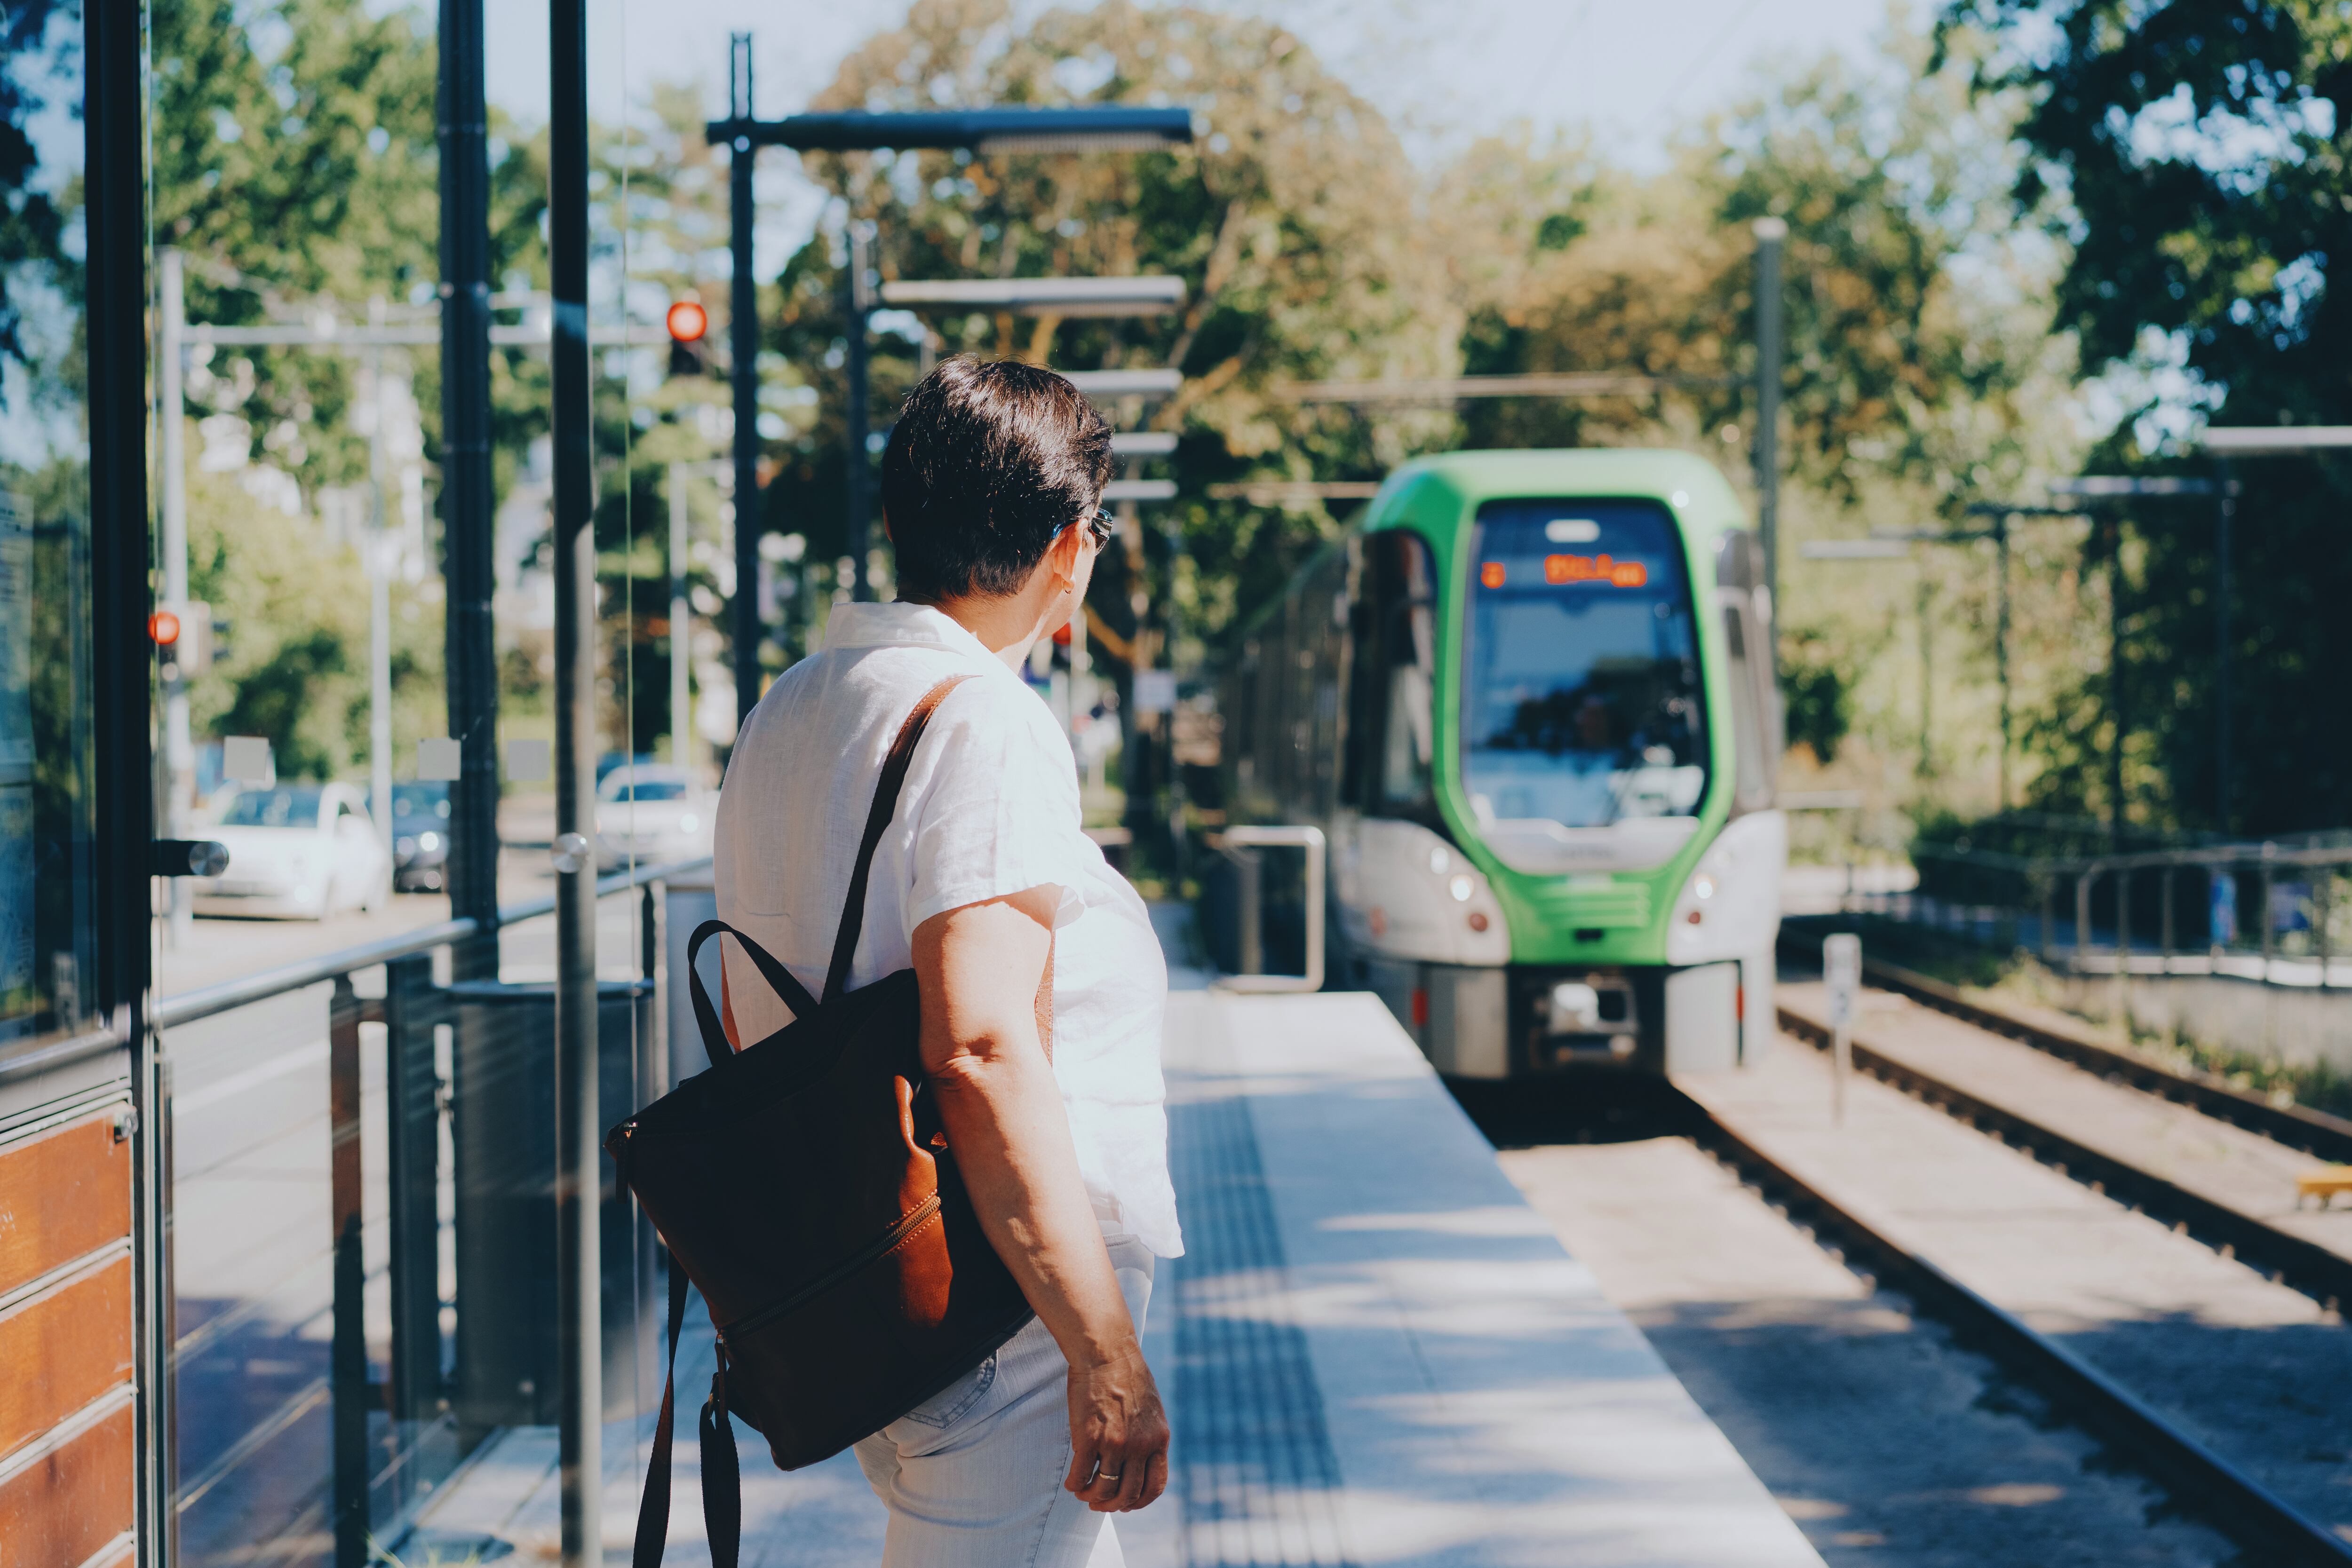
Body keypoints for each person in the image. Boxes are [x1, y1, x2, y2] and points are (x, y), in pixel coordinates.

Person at [711, 356, 1181, 1568]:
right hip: (1002, 1321)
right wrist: (1103, 1349)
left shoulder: (789, 711)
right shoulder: (986, 719)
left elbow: (752, 1006)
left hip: (879, 1277)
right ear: (1069, 545)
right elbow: (978, 1047)